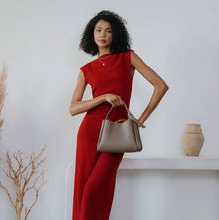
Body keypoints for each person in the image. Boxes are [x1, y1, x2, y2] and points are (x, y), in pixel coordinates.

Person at [69, 10, 168, 220]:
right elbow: (73, 108)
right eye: (98, 30)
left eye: (108, 30)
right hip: (88, 134)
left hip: (116, 135)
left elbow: (161, 86)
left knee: (93, 192)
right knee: (82, 191)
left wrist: (138, 121)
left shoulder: (127, 58)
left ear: (116, 35)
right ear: (91, 34)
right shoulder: (86, 69)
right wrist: (102, 97)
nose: (102, 34)